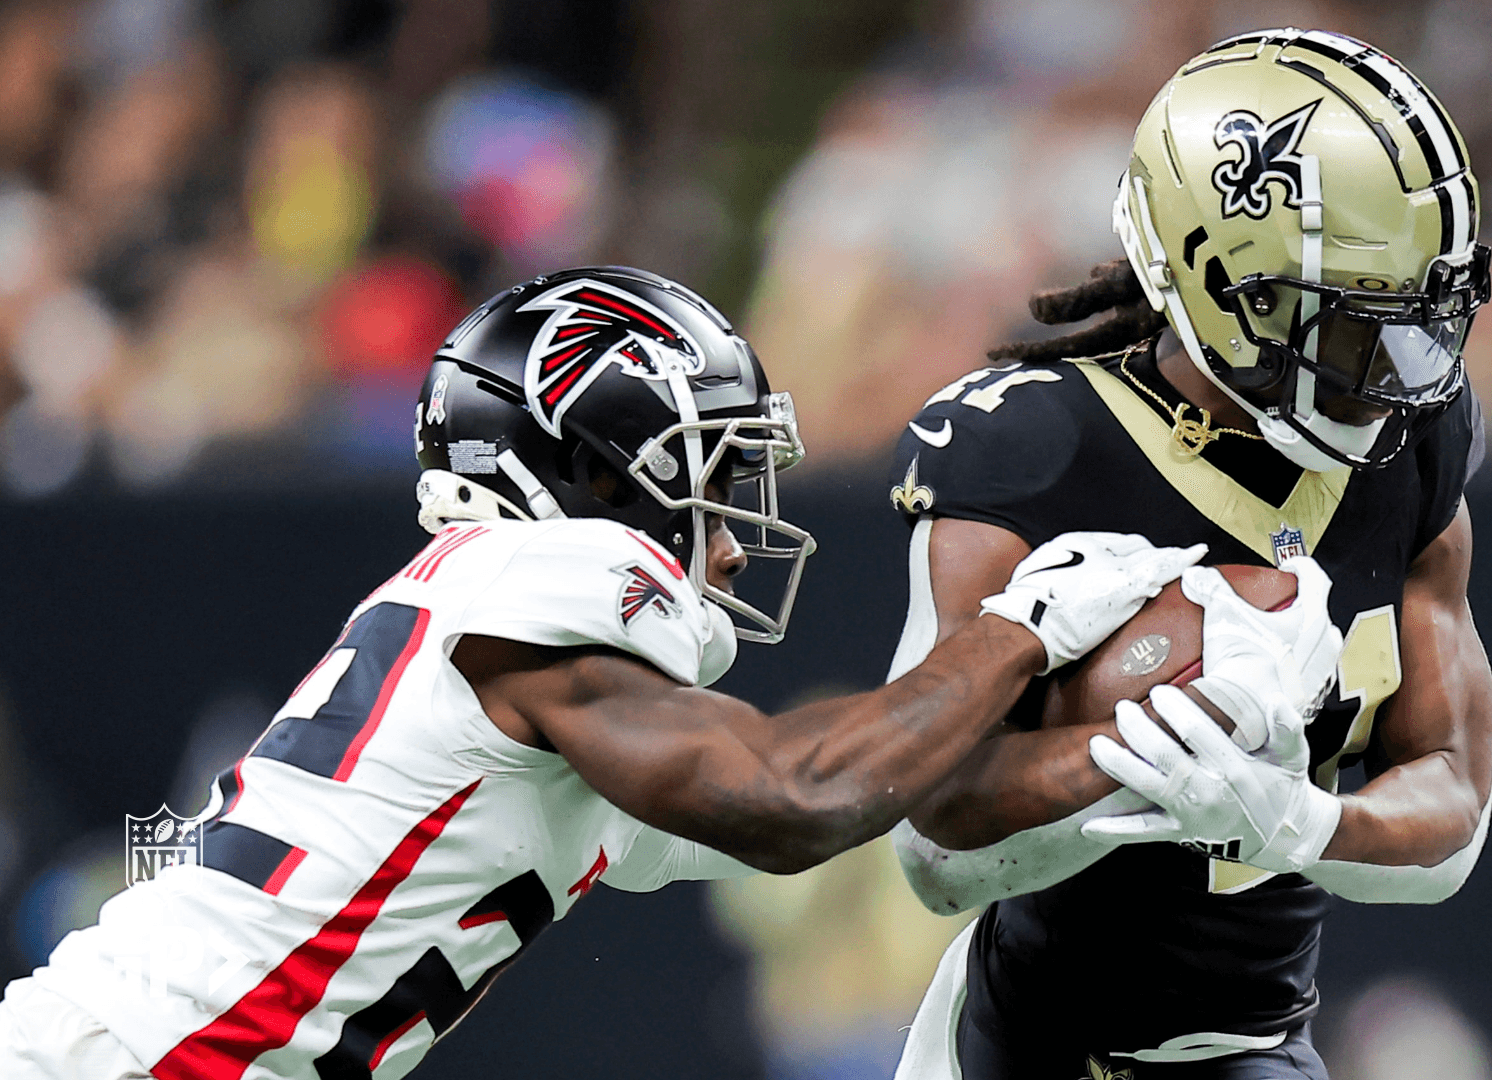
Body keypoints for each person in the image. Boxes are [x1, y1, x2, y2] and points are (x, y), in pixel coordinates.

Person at [0, 266, 1247, 1080]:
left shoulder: (507, 628)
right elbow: (796, 797)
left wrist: (1141, 751)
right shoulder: (550, 575)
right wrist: (1020, 629)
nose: (733, 536)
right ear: (598, 470)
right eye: (713, 473)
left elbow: (879, 806)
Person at [885, 29, 1492, 1080]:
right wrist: (1140, 766)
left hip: (1250, 1046)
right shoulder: (1035, 450)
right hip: (1013, 1045)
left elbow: (1453, 807)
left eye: (1415, 318)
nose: (1399, 368)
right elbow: (932, 846)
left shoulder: (1414, 445)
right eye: (1354, 322)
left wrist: (1296, 822)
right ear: (1229, 288)